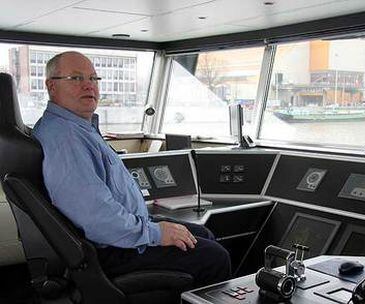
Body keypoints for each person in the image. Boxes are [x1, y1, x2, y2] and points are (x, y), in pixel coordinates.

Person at [32, 51, 231, 288]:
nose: (89, 86)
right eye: (76, 79)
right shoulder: (64, 138)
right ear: (51, 86)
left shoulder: (80, 129)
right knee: (214, 258)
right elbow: (96, 216)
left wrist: (151, 226)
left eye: (94, 79)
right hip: (110, 249)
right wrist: (156, 233)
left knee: (202, 234)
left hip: (122, 231)